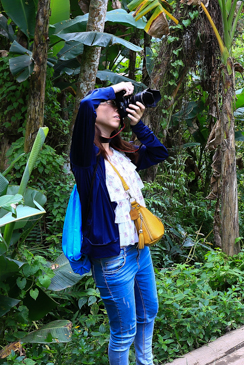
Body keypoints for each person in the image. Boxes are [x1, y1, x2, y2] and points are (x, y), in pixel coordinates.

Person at [70, 81, 169, 365]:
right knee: (124, 332)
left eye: (118, 107)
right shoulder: (85, 159)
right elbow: (85, 105)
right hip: (113, 258)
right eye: (110, 105)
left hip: (140, 251)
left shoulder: (121, 153)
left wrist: (139, 126)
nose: (116, 109)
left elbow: (158, 152)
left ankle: (145, 362)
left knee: (148, 312)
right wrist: (116, 89)